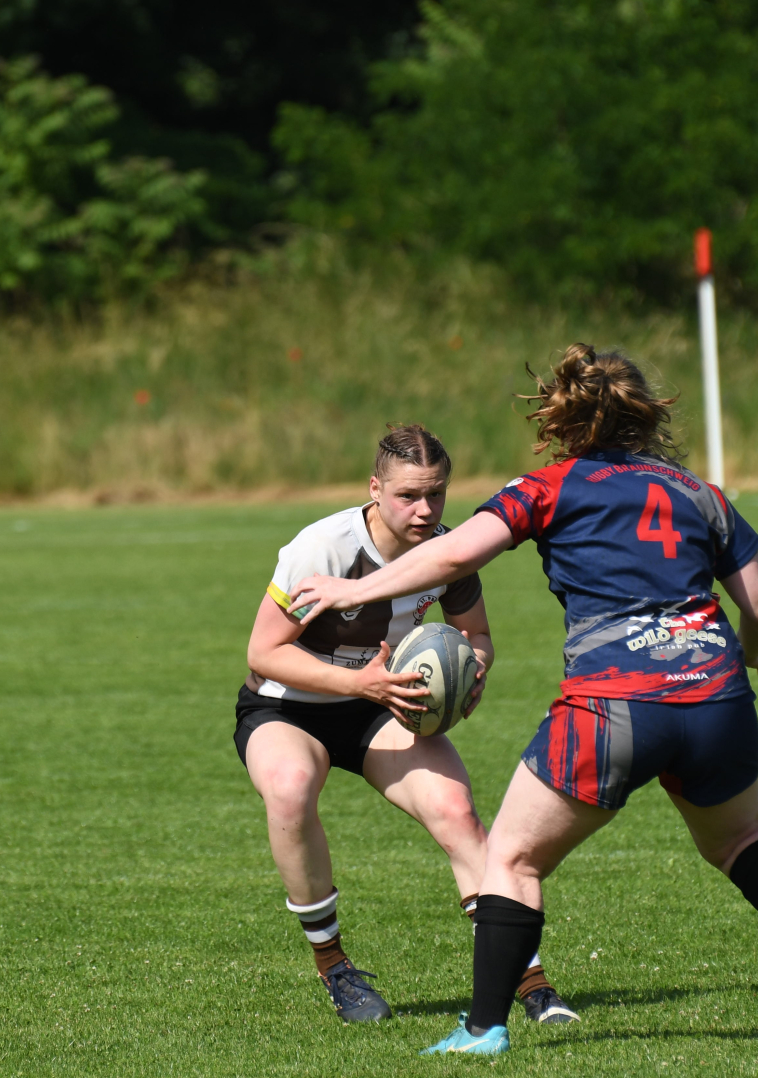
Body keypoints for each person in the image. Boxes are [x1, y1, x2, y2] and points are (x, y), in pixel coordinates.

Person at [288, 346, 758, 1055]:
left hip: (615, 705)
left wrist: (353, 589)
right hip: (717, 695)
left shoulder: (548, 486)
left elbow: (454, 554)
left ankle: (483, 1029)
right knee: (741, 838)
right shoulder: (699, 493)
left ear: (562, 417)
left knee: (511, 859)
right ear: (643, 413)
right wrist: (749, 651)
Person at [238, 423, 578, 1025]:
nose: (425, 510)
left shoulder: (447, 551)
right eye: (408, 496)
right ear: (375, 489)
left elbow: (477, 634)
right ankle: (334, 966)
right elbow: (264, 653)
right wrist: (359, 683)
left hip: (382, 706)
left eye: (436, 494)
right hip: (287, 708)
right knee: (289, 790)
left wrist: (472, 669)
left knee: (457, 812)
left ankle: (530, 983)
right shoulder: (323, 547)